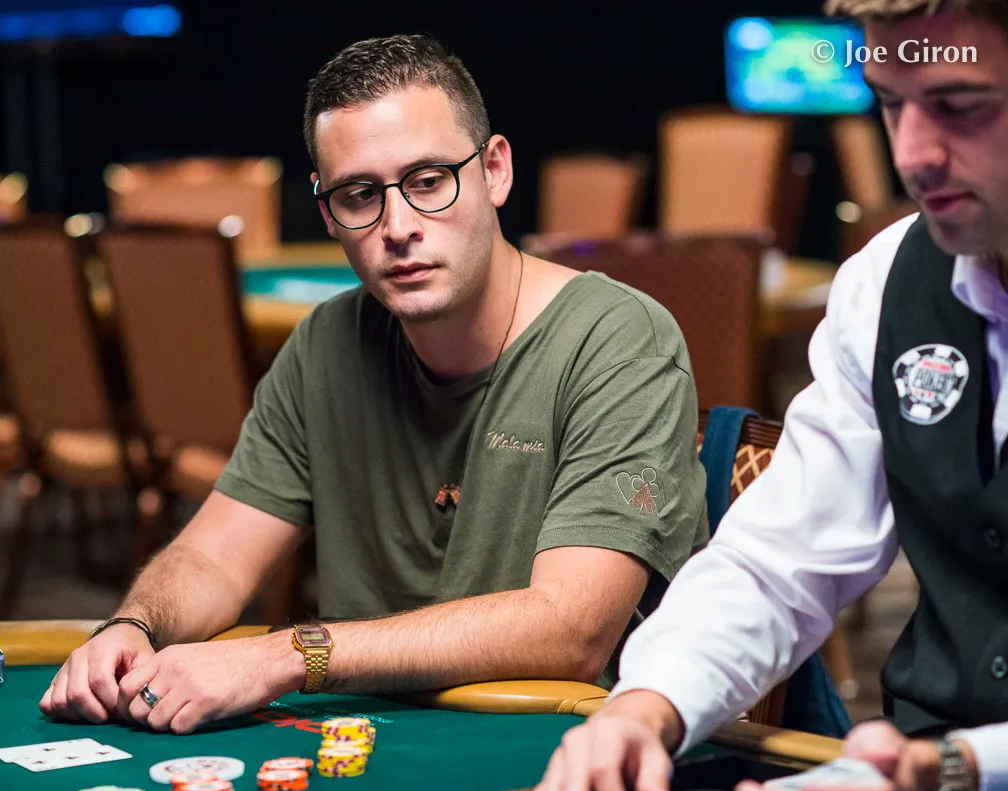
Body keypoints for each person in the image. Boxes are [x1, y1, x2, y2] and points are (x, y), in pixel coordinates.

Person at [40, 34, 708, 734]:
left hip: (566, 747)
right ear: (328, 212)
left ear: (495, 171)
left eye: (428, 181)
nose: (398, 227)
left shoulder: (620, 339)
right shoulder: (324, 344)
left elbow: (573, 628)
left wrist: (289, 655)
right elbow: (213, 557)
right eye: (360, 195)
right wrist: (135, 625)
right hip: (368, 742)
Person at [530, 2, 1008, 791]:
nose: (912, 154)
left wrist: (959, 766)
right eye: (891, 102)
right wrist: (644, 708)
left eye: (958, 104)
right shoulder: (884, 281)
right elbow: (780, 562)